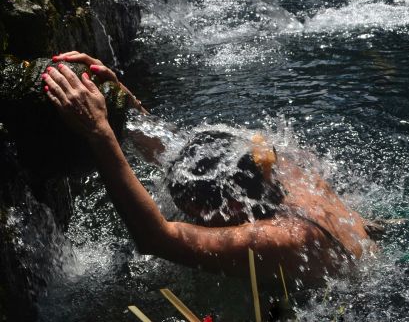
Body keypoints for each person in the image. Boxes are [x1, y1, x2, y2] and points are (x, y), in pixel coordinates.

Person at [42, 51, 374, 287]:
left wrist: (99, 133)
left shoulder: (285, 238)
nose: (197, 222)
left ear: (229, 206)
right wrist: (118, 98)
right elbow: (170, 149)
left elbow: (157, 238)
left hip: (356, 316)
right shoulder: (272, 170)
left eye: (196, 214)